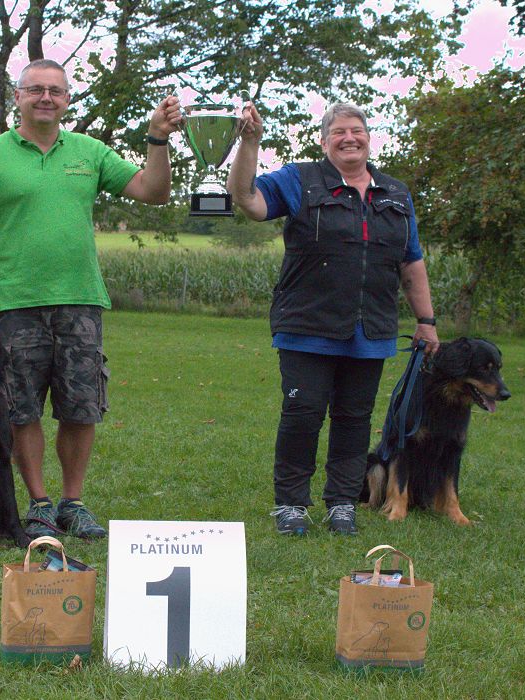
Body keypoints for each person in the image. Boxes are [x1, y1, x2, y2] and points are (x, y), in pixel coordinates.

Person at [0, 59, 182, 539]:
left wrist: (157, 139)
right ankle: (38, 503)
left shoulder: (89, 153)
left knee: (81, 408)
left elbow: (154, 191)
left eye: (55, 91)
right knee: (21, 408)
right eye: (36, 89)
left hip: (80, 302)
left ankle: (72, 503)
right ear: (17, 96)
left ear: (67, 100)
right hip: (13, 305)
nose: (46, 98)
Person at [226, 102, 440, 536]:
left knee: (354, 418)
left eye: (356, 130)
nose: (349, 138)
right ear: (324, 142)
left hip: (371, 329)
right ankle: (291, 504)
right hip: (307, 327)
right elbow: (247, 199)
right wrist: (249, 143)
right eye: (339, 132)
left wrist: (426, 320)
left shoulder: (395, 193)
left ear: (367, 137)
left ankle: (342, 502)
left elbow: (411, 262)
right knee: (303, 413)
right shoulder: (299, 180)